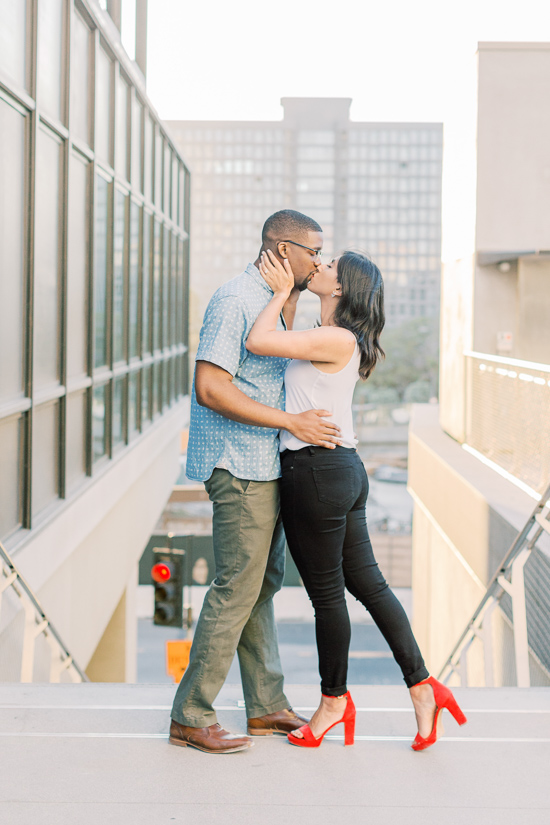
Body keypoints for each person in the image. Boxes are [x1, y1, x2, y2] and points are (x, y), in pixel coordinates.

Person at [245, 248, 468, 751]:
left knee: (327, 598)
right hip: (343, 470)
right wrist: (296, 296)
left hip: (316, 472)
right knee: (370, 586)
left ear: (341, 289)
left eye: (329, 268)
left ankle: (332, 702)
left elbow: (259, 341)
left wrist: (283, 291)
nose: (319, 267)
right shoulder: (343, 337)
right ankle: (423, 686)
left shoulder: (335, 338)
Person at [169, 210, 344, 755]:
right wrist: (292, 423)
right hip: (237, 464)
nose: (319, 260)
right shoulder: (235, 299)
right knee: (237, 586)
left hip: (265, 464)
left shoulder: (279, 305)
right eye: (313, 251)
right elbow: (210, 388)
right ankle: (191, 714)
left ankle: (266, 705)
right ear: (284, 249)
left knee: (262, 584)